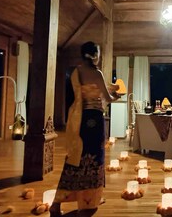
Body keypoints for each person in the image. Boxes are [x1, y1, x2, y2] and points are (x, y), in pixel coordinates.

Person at [50, 41, 119, 217]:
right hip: (94, 120)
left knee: (74, 159)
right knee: (94, 159)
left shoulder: (76, 72)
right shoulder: (97, 73)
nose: (99, 56)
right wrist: (116, 96)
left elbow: (83, 93)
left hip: (79, 119)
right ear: (95, 55)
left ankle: (56, 204)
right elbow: (106, 97)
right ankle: (88, 201)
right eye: (99, 53)